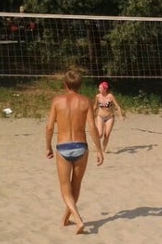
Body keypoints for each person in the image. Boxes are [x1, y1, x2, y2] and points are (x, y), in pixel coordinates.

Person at [46, 68, 104, 234]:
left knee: (65, 189)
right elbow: (92, 127)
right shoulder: (85, 101)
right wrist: (99, 150)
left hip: (63, 146)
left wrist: (48, 146)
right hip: (81, 146)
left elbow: (49, 127)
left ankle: (78, 220)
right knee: (75, 185)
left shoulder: (57, 101)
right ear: (80, 85)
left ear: (65, 84)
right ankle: (66, 218)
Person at [94, 81, 124, 152]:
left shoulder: (110, 96)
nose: (98, 89)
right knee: (100, 134)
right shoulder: (98, 96)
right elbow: (95, 106)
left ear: (105, 89)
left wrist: (120, 115)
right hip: (100, 116)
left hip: (110, 117)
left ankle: (103, 150)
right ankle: (97, 145)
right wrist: (90, 114)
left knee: (106, 134)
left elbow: (117, 106)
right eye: (99, 88)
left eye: (100, 88)